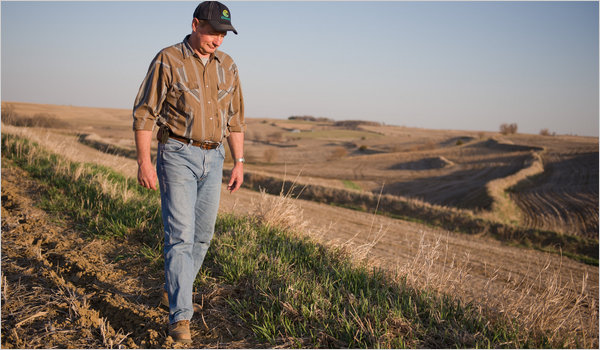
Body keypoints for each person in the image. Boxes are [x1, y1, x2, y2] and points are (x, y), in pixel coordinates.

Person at [132, 1, 245, 344]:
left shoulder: (229, 66)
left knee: (202, 237)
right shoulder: (168, 59)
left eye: (223, 34)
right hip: (177, 154)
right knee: (180, 236)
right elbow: (144, 113)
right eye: (213, 32)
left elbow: (235, 119)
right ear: (195, 24)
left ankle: (174, 289)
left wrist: (239, 162)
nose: (218, 40)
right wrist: (143, 161)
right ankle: (180, 318)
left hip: (215, 158)